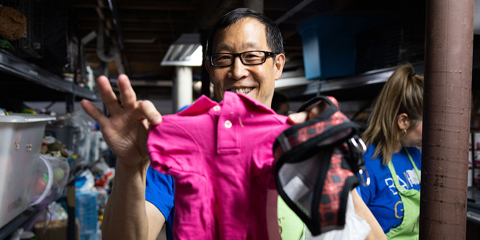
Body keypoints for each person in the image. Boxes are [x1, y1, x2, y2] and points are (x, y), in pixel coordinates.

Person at [81, 8, 385, 240]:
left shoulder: (302, 138)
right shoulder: (184, 135)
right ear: (211, 70)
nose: (237, 71)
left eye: (252, 56)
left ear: (277, 65)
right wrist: (130, 165)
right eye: (223, 59)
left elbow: (370, 234)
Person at [357, 62, 423, 239]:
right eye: (427, 123)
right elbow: (354, 229)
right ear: (403, 122)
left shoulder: (416, 156)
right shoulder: (366, 165)